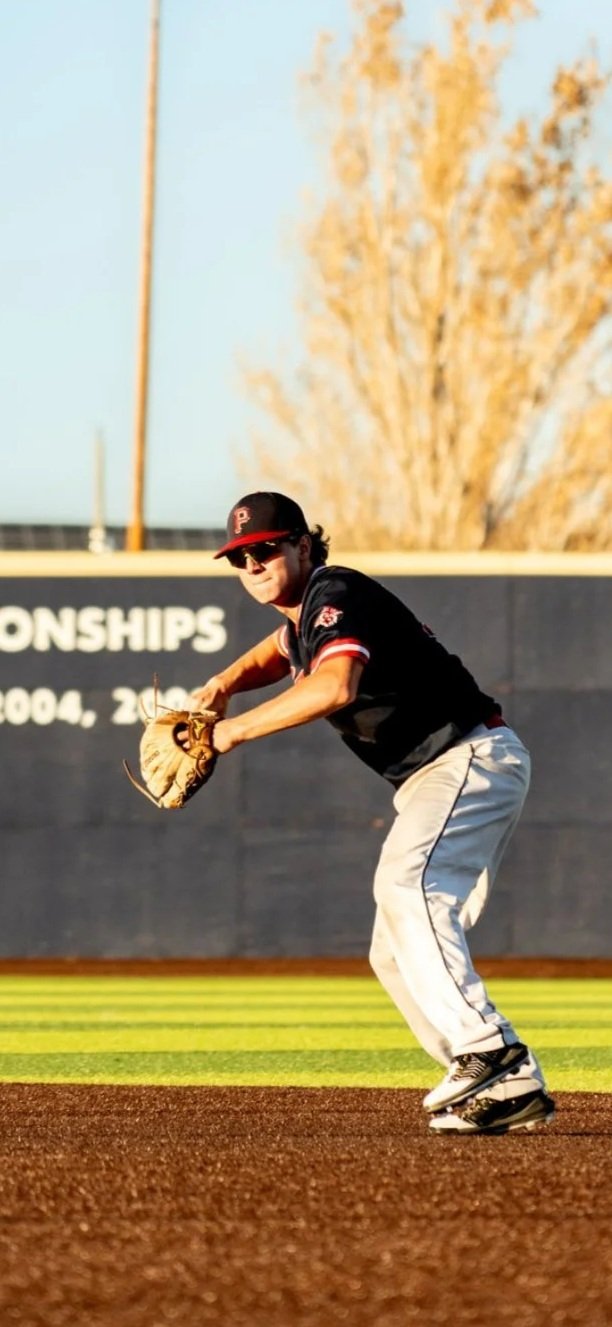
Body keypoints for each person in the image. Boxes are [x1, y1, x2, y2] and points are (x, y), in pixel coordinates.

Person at [189, 491, 554, 1135]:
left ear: (303, 544)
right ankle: (508, 1086)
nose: (252, 563)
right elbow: (279, 651)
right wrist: (220, 686)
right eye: (240, 556)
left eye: (266, 548)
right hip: (435, 773)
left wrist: (227, 732)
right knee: (391, 950)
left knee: (408, 885)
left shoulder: (337, 593)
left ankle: (488, 1047)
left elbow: (333, 686)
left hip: (467, 755)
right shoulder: (310, 617)